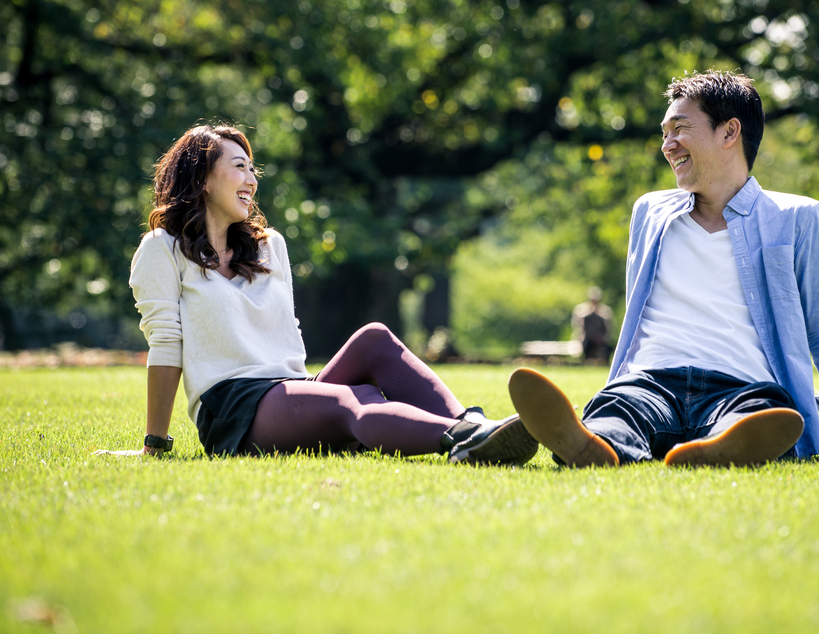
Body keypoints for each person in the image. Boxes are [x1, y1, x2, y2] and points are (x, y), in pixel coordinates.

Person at [508, 70, 819, 468]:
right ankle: (596, 442)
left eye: (680, 129)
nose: (667, 144)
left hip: (742, 387)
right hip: (652, 381)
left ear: (730, 131)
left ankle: (718, 447)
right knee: (622, 409)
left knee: (761, 414)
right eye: (664, 133)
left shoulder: (796, 217)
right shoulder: (650, 213)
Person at [97, 123, 537, 464]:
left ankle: (474, 424)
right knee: (353, 400)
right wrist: (154, 444)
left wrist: (306, 390)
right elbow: (166, 345)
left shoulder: (270, 245)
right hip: (235, 408)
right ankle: (462, 441)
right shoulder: (163, 249)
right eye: (238, 166)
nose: (251, 178)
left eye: (253, 168)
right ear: (203, 179)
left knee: (375, 337)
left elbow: (287, 336)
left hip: (292, 389)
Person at [571, 287, 615, 364]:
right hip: (587, 338)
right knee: (586, 345)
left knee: (609, 347)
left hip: (601, 339)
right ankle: (585, 361)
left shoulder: (605, 311)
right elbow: (580, 327)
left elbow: (608, 327)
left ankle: (606, 363)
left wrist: (600, 337)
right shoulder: (582, 310)